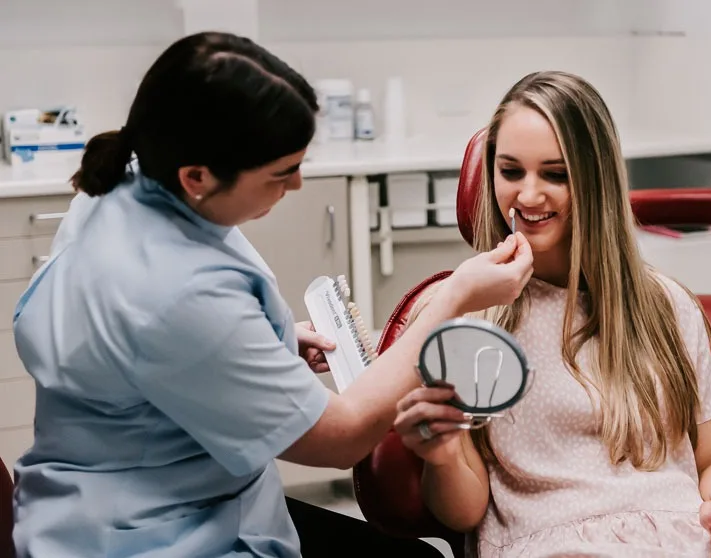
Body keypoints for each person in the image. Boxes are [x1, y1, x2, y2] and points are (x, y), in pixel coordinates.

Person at [10, 32, 535, 558]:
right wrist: (451, 300)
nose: (298, 184)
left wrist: (265, 346)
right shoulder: (177, 294)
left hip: (90, 492)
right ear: (197, 177)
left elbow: (157, 350)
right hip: (149, 534)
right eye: (282, 173)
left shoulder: (129, 183)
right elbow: (342, 438)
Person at [393, 70, 711, 557]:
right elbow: (464, 513)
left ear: (596, 180)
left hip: (684, 537)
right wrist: (441, 456)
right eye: (511, 171)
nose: (528, 195)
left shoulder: (666, 306)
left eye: (556, 174)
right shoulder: (470, 320)